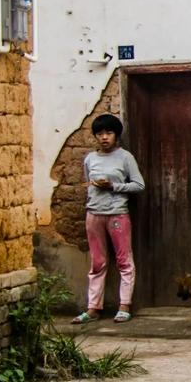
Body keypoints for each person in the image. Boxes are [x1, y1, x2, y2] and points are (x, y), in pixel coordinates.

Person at [73, 113, 145, 324]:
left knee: (124, 261)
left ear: (116, 135)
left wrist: (114, 186)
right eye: (100, 133)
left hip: (117, 214)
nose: (104, 137)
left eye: (109, 133)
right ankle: (93, 308)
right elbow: (88, 182)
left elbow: (139, 185)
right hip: (94, 214)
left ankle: (124, 306)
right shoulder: (90, 159)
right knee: (97, 262)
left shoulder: (125, 157)